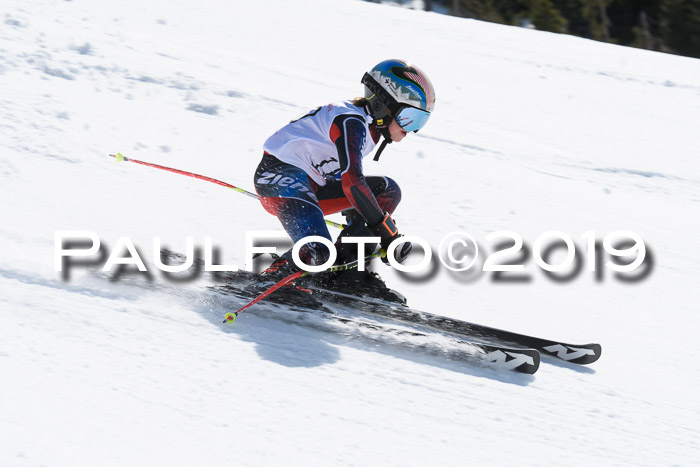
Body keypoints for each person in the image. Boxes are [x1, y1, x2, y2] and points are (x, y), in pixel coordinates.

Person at [253, 59, 436, 279]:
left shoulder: (368, 127)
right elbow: (353, 183)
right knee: (319, 253)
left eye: (419, 122)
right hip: (278, 178)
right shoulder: (351, 121)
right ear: (383, 105)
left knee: (387, 191)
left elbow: (355, 186)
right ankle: (275, 278)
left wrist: (373, 228)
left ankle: (344, 271)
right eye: (409, 118)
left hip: (312, 185)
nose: (411, 130)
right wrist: (385, 232)